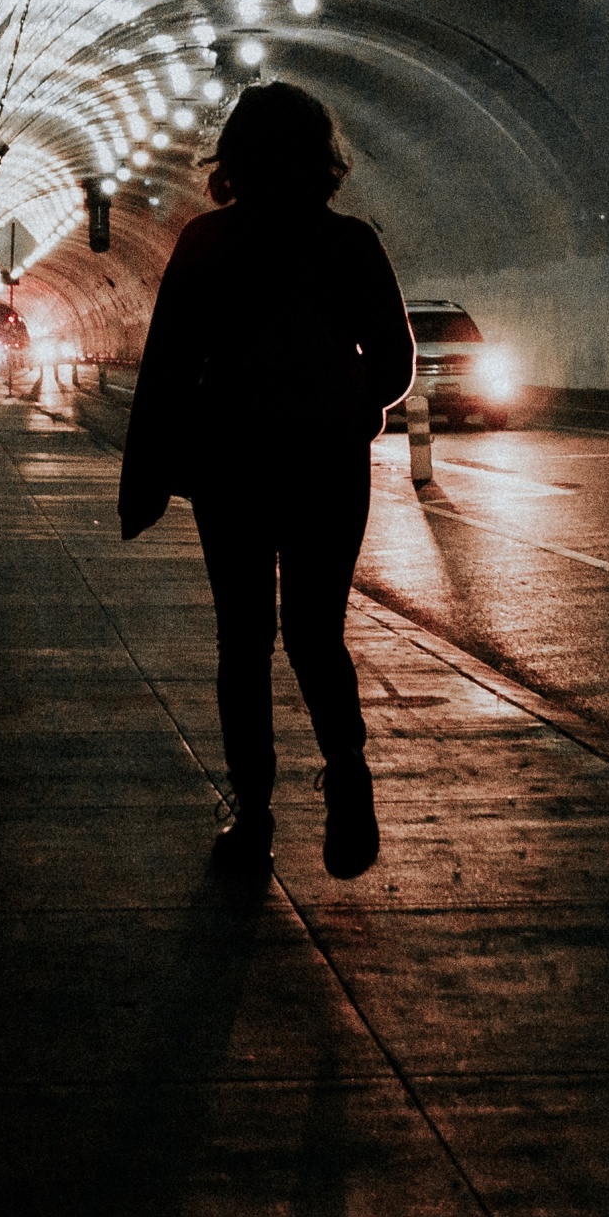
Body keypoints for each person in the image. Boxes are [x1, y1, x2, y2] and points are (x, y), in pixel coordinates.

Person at [118, 81, 415, 880]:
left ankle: (254, 821)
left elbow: (168, 366)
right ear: (324, 156)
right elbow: (395, 366)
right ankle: (347, 775)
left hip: (234, 467)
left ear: (234, 158)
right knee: (317, 632)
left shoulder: (207, 242)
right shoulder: (351, 243)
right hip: (327, 469)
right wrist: (347, 409)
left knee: (243, 642)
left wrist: (154, 469)